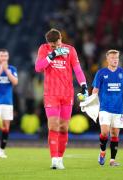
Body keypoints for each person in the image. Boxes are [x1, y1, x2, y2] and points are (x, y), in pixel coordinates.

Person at [35, 28, 88, 169]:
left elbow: (77, 69)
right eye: (51, 45)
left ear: (60, 40)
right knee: (53, 125)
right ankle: (54, 160)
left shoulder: (70, 50)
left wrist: (83, 85)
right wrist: (51, 55)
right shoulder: (44, 49)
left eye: (56, 44)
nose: (54, 47)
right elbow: (38, 68)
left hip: (67, 94)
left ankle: (60, 158)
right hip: (51, 94)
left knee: (64, 128)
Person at [92, 49, 123, 166]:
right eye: (113, 58)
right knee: (105, 132)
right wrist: (91, 102)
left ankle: (112, 160)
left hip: (118, 109)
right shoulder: (101, 73)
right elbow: (95, 90)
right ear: (107, 60)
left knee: (115, 134)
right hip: (104, 107)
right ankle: (102, 152)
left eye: (117, 58)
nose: (115, 60)